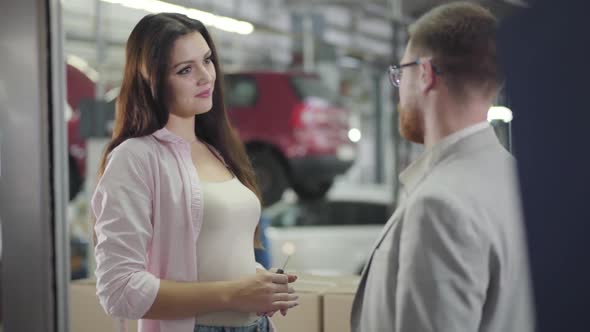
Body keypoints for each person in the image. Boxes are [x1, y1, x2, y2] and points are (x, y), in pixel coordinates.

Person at [92, 13, 298, 332]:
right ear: (152, 79)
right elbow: (119, 289)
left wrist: (258, 281)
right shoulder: (135, 157)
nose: (206, 77)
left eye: (207, 60)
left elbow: (207, 255)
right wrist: (232, 294)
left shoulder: (218, 149)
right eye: (185, 69)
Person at [350, 3, 534, 331]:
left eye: (400, 72)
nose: (399, 89)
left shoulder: (439, 205)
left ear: (424, 73)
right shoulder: (520, 181)